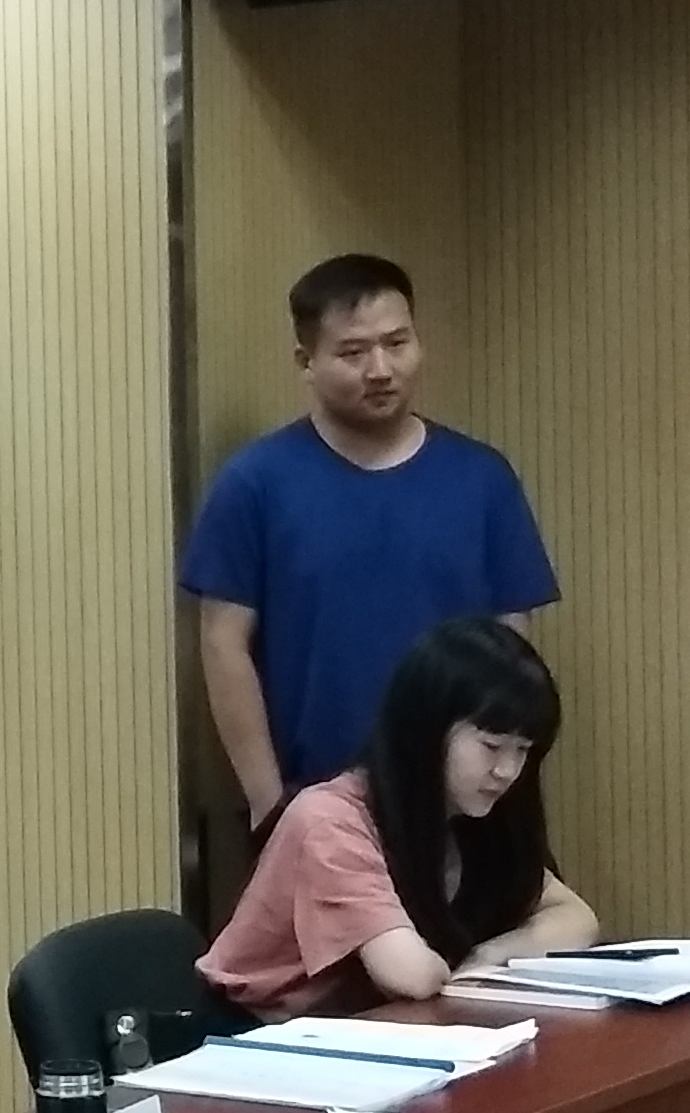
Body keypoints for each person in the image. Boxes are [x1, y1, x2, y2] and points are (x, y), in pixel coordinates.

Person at [183, 255, 559, 834]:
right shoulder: (255, 482)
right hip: (316, 807)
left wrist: (496, 777)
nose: (380, 369)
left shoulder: (482, 478)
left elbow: (510, 642)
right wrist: (269, 802)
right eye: (353, 352)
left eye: (397, 343)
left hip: (465, 810)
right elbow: (223, 642)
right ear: (306, 363)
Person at [204, 617, 596, 1015]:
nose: (508, 771)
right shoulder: (331, 819)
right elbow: (410, 976)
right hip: (252, 1031)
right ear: (426, 731)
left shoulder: (473, 817)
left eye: (523, 750)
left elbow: (577, 918)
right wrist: (467, 971)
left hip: (372, 1026)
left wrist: (488, 956)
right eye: (491, 746)